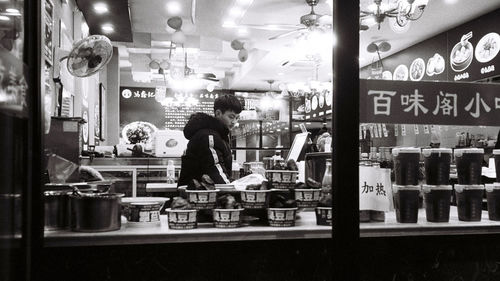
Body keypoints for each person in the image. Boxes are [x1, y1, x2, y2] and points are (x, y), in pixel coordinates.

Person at [178, 94, 242, 186]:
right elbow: (215, 171)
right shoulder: (208, 136)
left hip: (202, 194)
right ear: (218, 113)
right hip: (197, 196)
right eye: (231, 117)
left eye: (237, 118)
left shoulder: (217, 135)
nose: (234, 122)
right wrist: (234, 188)